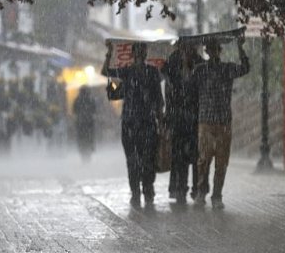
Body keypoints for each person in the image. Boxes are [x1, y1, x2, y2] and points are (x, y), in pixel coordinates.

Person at [102, 42, 164, 208]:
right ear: (134, 54)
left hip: (147, 123)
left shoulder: (152, 72)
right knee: (133, 160)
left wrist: (160, 119)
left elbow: (158, 99)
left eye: (142, 52)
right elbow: (106, 72)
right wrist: (109, 53)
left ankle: (147, 190)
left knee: (147, 159)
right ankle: (137, 192)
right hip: (131, 123)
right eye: (138, 52)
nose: (140, 55)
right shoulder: (127, 72)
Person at [191, 36, 249, 209]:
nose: (213, 52)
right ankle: (201, 192)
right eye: (210, 49)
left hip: (223, 121)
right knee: (203, 159)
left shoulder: (227, 68)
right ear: (207, 51)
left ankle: (217, 195)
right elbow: (188, 86)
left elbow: (245, 68)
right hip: (206, 121)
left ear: (219, 51)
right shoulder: (199, 70)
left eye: (215, 49)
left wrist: (241, 48)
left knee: (221, 161)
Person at [162, 41, 205, 204]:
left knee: (195, 156)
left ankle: (196, 188)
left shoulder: (198, 63)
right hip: (178, 118)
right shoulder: (173, 63)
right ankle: (180, 188)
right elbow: (169, 86)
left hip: (194, 117)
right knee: (179, 156)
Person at [73, 86, 97, 161]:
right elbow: (95, 110)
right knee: (89, 138)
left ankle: (83, 153)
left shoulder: (77, 99)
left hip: (80, 123)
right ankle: (89, 152)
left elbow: (74, 110)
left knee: (81, 139)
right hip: (89, 122)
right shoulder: (91, 99)